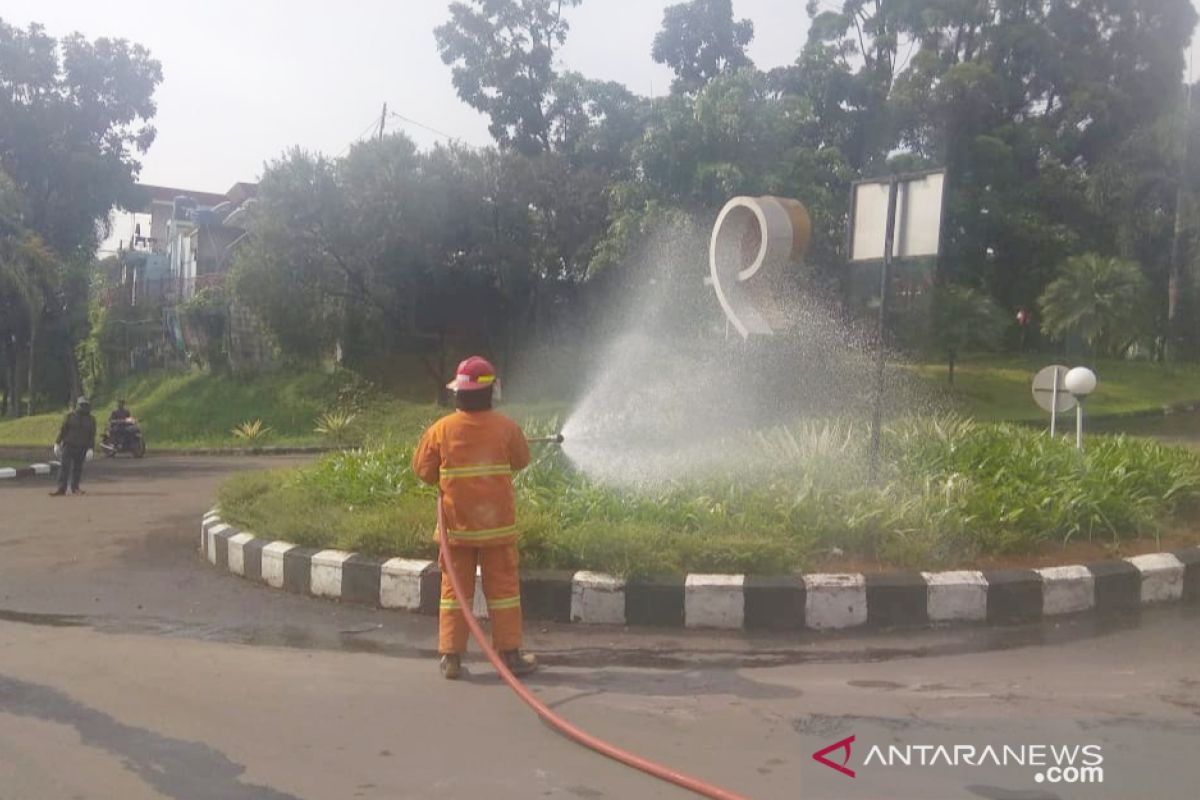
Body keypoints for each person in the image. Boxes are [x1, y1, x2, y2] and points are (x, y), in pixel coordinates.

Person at [412, 356, 536, 680]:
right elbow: (522, 460)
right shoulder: (507, 428)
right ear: (490, 392)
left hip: (457, 530)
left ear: (460, 393)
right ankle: (510, 654)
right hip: (497, 529)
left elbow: (423, 472)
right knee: (504, 591)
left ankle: (450, 658)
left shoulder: (440, 430)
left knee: (454, 593)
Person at [51, 397, 96, 496]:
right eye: (82, 405)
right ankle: (61, 488)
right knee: (64, 467)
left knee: (77, 468)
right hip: (69, 445)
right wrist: (57, 443)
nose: (84, 407)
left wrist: (91, 448)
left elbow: (92, 435)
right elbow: (63, 430)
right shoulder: (70, 417)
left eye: (86, 405)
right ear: (78, 405)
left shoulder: (91, 419)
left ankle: (75, 488)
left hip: (82, 446)